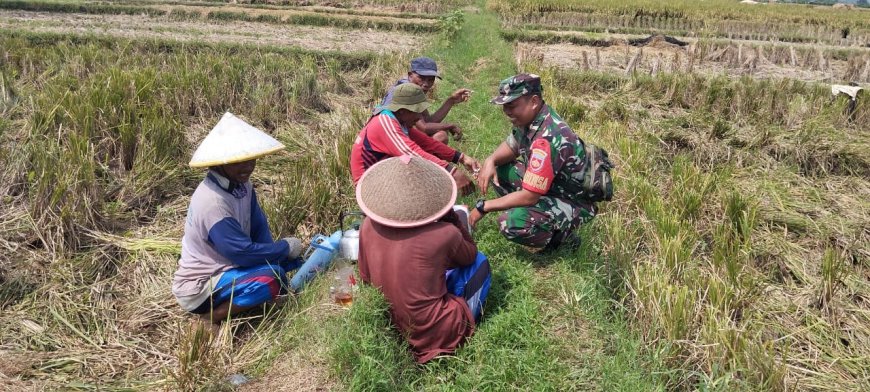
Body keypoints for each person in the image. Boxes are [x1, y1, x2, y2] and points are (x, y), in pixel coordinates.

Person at [172, 112, 309, 325]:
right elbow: (241, 253)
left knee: (290, 264)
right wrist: (282, 249)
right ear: (220, 163)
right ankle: (210, 317)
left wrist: (277, 256)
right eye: (239, 161)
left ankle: (264, 287)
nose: (248, 167)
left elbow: (258, 226)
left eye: (250, 159)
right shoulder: (213, 202)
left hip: (230, 267)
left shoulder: (242, 185)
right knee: (270, 279)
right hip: (202, 284)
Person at [356, 155, 492, 364]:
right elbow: (470, 255)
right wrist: (452, 217)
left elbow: (365, 278)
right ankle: (463, 325)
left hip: (392, 327)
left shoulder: (367, 226)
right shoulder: (445, 233)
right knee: (480, 263)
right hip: (436, 336)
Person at [469, 74, 596, 251]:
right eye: (504, 106)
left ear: (534, 101)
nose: (507, 112)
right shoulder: (531, 119)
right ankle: (532, 211)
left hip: (573, 202)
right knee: (500, 169)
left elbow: (530, 196)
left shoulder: (549, 137)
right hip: (552, 187)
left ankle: (562, 239)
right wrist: (490, 160)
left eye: (511, 105)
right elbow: (512, 145)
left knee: (511, 223)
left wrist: (483, 207)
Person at [351, 82, 478, 195]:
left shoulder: (398, 120)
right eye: (416, 111)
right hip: (369, 187)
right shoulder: (384, 122)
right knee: (425, 177)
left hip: (386, 174)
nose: (419, 117)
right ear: (402, 111)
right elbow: (412, 153)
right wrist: (453, 172)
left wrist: (461, 157)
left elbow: (428, 143)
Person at [379, 56, 472, 144]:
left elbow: (428, 121)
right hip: (387, 138)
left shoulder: (414, 89)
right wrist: (450, 125)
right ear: (410, 75)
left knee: (440, 134)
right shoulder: (407, 91)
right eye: (421, 78)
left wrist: (451, 101)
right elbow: (424, 128)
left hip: (396, 135)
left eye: (430, 80)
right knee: (440, 136)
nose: (426, 84)